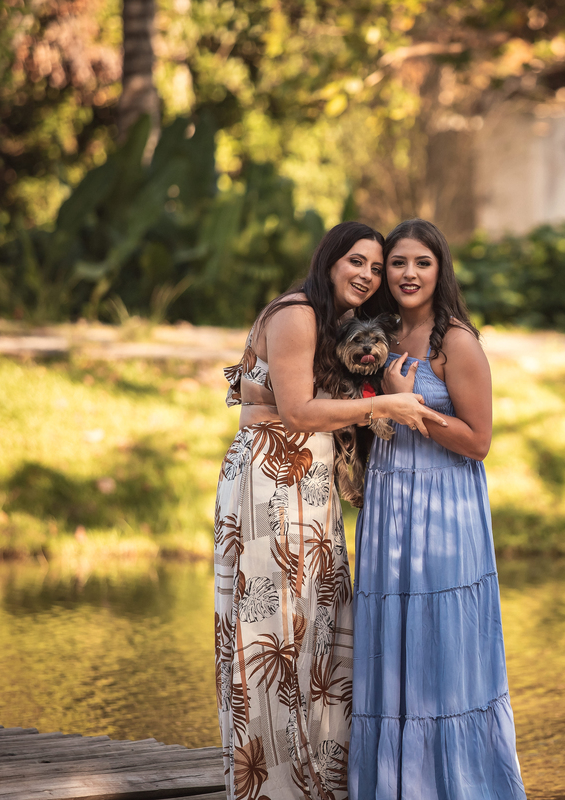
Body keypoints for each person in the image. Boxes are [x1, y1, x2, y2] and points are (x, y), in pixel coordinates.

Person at [214, 221, 449, 800]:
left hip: (310, 480)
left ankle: (317, 783)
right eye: (358, 263)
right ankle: (270, 787)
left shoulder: (336, 321)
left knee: (319, 628)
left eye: (376, 268)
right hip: (271, 475)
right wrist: (389, 404)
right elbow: (296, 411)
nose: (369, 276)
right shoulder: (297, 312)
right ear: (329, 261)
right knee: (270, 631)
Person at [348, 219, 527, 800]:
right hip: (388, 502)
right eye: (395, 263)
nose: (406, 274)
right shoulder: (375, 336)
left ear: (439, 270)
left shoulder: (457, 342)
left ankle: (458, 785)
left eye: (420, 263)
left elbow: (478, 441)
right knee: (388, 639)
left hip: (444, 506)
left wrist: (411, 408)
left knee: (442, 643)